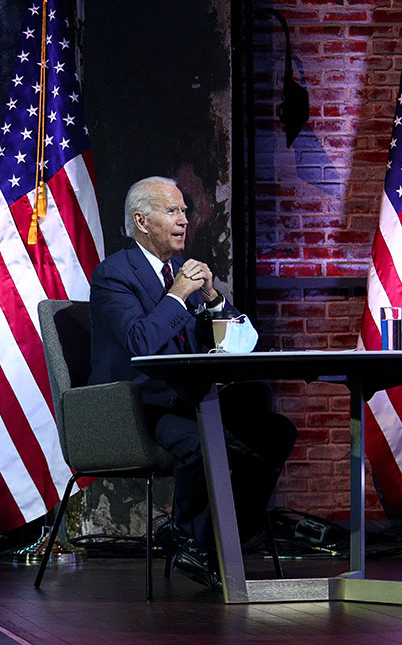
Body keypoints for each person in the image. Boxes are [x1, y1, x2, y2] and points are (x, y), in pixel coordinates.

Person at [88, 176, 296, 590]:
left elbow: (246, 344)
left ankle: (206, 540)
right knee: (211, 445)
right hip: (141, 408)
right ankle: (195, 539)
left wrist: (215, 299)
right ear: (141, 221)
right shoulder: (114, 275)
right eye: (173, 211)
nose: (185, 219)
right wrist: (179, 295)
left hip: (191, 400)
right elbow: (140, 343)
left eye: (185, 211)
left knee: (275, 431)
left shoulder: (180, 274)